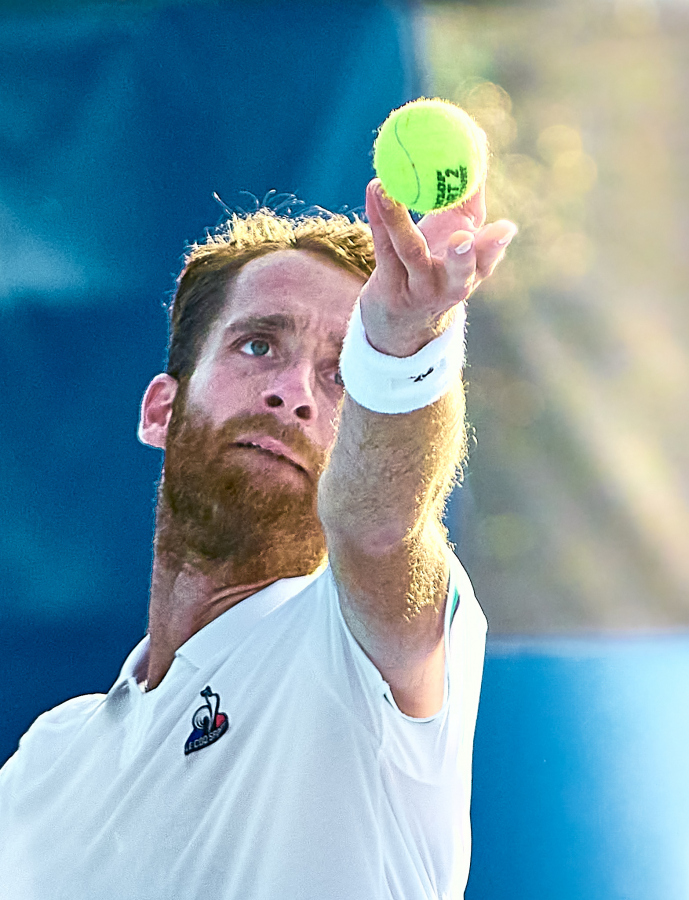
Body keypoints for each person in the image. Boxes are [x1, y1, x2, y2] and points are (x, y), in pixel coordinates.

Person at [0, 177, 516, 899]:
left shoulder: (359, 650)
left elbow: (379, 528)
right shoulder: (44, 763)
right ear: (161, 410)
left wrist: (402, 347)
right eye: (258, 345)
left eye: (342, 375)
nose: (294, 392)